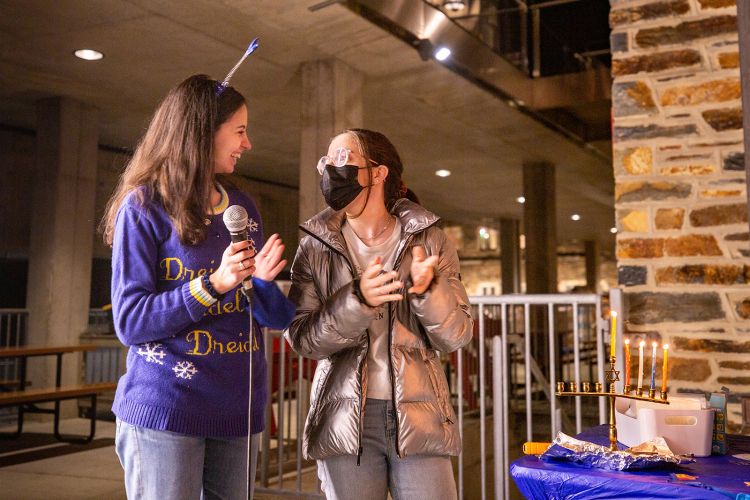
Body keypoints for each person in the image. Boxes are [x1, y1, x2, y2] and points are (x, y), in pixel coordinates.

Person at [99, 74, 295, 499]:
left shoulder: (242, 207)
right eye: (240, 131)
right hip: (167, 408)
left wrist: (262, 284)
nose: (248, 144)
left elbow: (276, 317)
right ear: (203, 132)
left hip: (237, 410)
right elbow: (131, 321)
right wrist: (214, 283)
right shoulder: (144, 207)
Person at [284, 128, 474, 499]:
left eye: (343, 158)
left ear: (378, 172)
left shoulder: (428, 238)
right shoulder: (314, 247)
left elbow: (457, 335)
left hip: (420, 415)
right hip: (344, 419)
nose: (330, 169)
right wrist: (357, 301)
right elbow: (303, 338)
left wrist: (428, 291)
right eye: (326, 161)